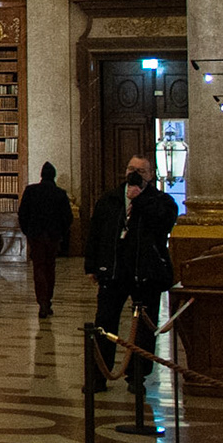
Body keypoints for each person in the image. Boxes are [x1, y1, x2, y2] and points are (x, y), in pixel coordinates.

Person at [85, 154, 179, 391]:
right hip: (114, 272)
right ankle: (99, 374)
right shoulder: (109, 199)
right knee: (104, 323)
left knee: (144, 329)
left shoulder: (162, 201)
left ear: (151, 175)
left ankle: (137, 376)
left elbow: (163, 223)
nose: (134, 173)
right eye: (130, 168)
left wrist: (141, 200)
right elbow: (96, 233)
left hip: (146, 274)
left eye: (141, 170)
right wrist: (92, 266)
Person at [17, 161, 73, 319]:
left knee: (39, 268)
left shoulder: (31, 191)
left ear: (41, 175)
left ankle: (42, 301)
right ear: (53, 176)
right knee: (50, 268)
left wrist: (28, 231)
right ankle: (47, 301)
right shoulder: (60, 194)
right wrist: (61, 233)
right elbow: (67, 218)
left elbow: (22, 214)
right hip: (53, 236)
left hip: (36, 236)